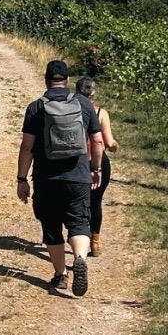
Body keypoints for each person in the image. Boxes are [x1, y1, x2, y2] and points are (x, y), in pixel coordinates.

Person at [16, 60, 104, 296]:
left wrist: (21, 179)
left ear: (46, 81)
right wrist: (95, 168)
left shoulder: (36, 108)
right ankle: (79, 259)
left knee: (52, 226)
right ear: (67, 81)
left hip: (46, 179)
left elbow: (27, 147)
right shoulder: (84, 104)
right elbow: (97, 141)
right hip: (78, 177)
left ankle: (60, 275)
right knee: (79, 222)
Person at [75, 77, 118, 257]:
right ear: (94, 93)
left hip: (76, 164)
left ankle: (78, 238)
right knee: (95, 202)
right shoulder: (101, 113)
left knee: (77, 203)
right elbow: (107, 141)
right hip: (97, 163)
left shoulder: (72, 109)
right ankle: (95, 241)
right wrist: (115, 145)